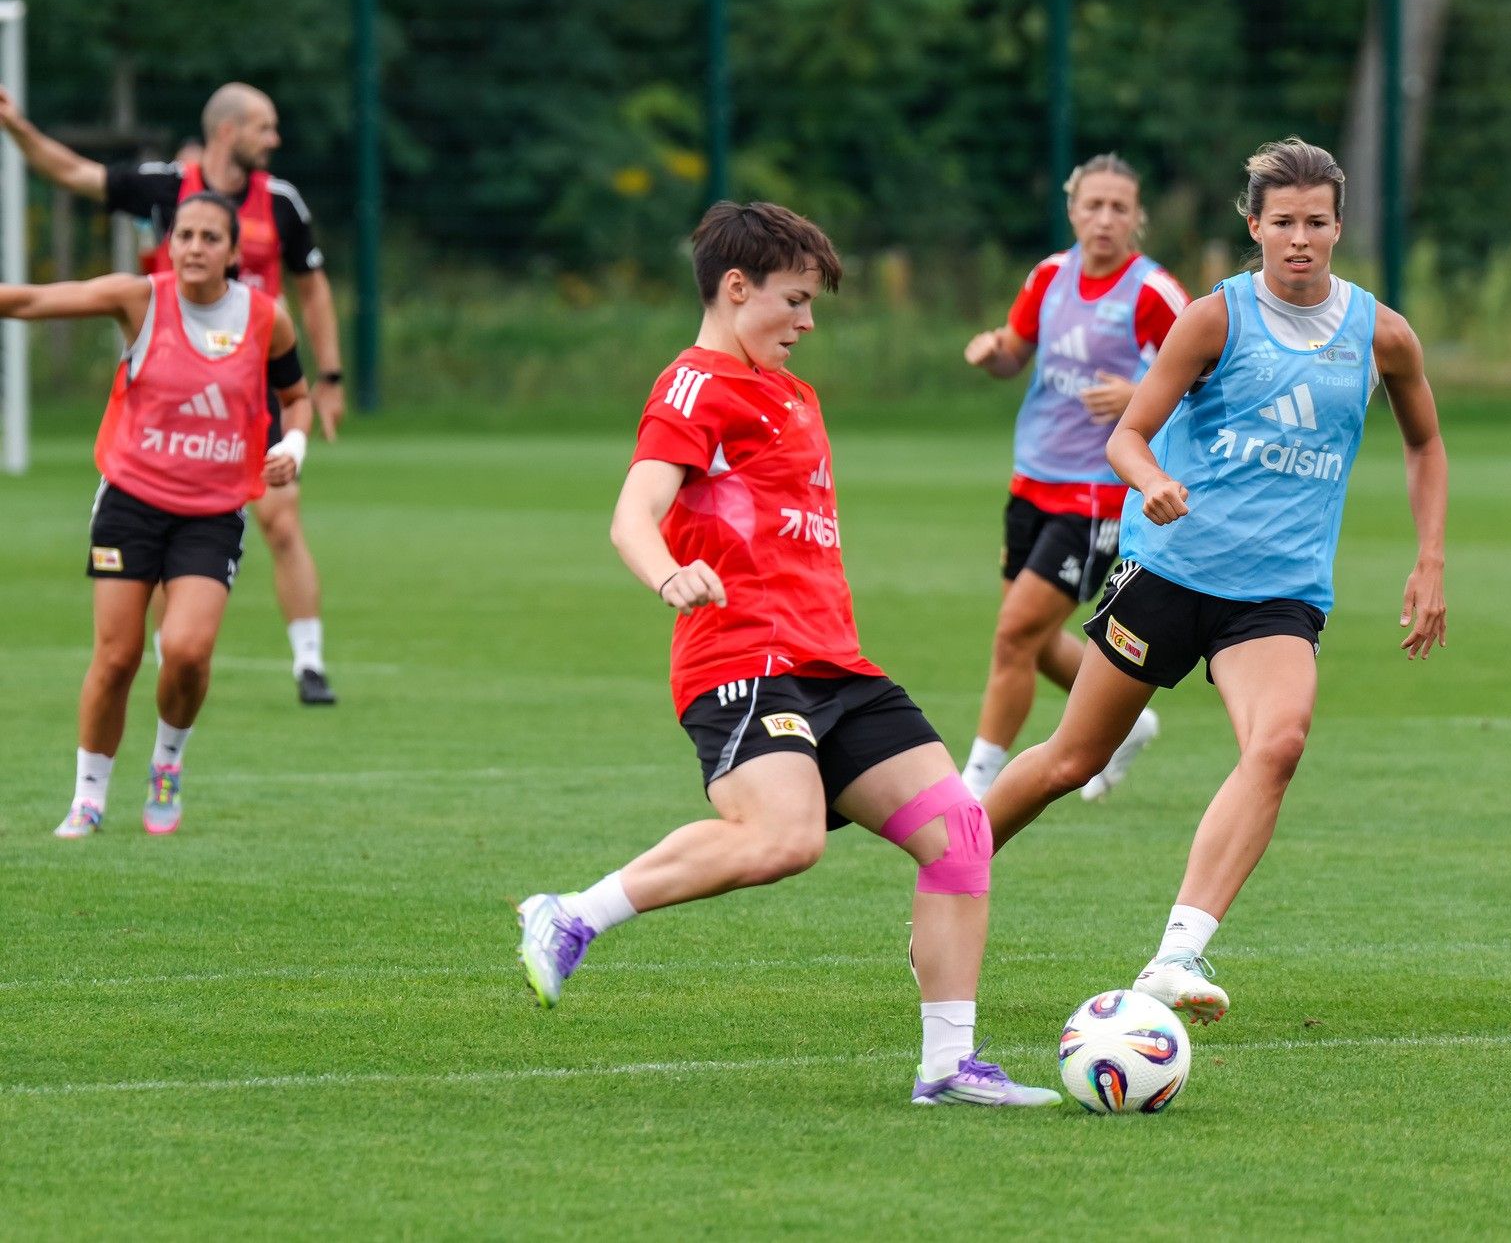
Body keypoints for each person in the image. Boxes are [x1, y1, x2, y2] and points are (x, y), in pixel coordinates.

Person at [515, 201, 1059, 1108]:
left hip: (834, 665)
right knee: (785, 838)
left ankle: (948, 1067)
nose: (808, 322)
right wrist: (668, 574)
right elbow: (631, 513)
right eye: (795, 300)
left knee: (960, 834)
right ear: (737, 289)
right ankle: (572, 914)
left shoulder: (793, 393)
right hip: (742, 663)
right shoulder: (694, 386)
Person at [979, 138, 1449, 1025]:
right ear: (1254, 226)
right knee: (1071, 759)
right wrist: (1151, 480)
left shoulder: (1381, 334)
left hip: (1278, 594)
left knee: (1279, 742)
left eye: (1316, 222)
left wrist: (1429, 558)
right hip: (1170, 569)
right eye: (1283, 223)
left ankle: (1177, 953)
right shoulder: (1214, 319)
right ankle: (953, 863)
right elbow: (1129, 434)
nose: (1300, 240)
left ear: (1339, 225)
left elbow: (1424, 442)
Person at [0, 82, 347, 704]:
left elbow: (313, 289)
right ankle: (176, 652)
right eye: (264, 127)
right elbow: (76, 174)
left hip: (253, 389)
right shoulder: (166, 187)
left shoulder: (283, 203)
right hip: (173, 389)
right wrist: (17, 128)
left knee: (283, 519)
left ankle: (309, 660)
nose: (275, 140)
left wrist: (328, 377)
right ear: (227, 131)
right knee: (166, 516)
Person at [0, 193, 312, 837]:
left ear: (233, 252)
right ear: (169, 244)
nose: (195, 247)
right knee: (117, 658)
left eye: (209, 237)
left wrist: (293, 445)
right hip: (131, 503)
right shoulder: (140, 299)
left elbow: (297, 398)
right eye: (185, 235)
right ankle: (88, 796)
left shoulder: (265, 319)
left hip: (213, 510)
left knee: (189, 652)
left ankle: (167, 764)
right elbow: (28, 302)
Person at [960, 154, 1188, 802]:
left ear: (1137, 217)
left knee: (1012, 634)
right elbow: (1015, 352)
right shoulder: (1049, 277)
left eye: (1120, 207)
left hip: (1098, 494)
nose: (1106, 219)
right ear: (1073, 210)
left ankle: (974, 785)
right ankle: (1131, 724)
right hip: (1032, 479)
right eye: (1094, 205)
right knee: (1026, 637)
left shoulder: (1152, 293)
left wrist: (1140, 393)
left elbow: (1209, 376)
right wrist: (994, 354)